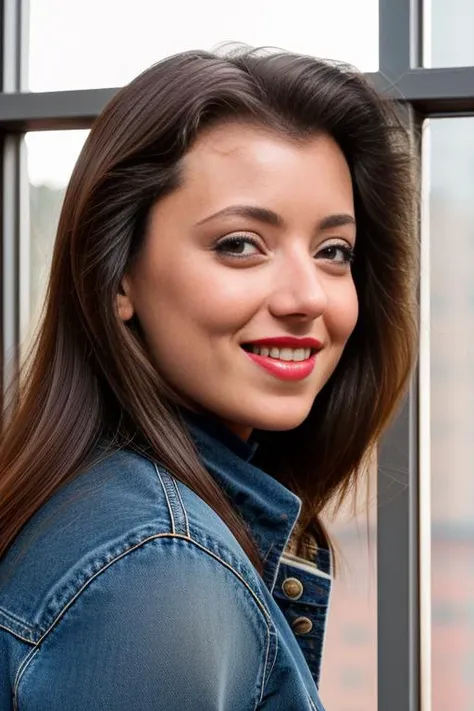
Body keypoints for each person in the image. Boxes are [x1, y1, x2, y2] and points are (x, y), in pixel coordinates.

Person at [0, 46, 417, 710]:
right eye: (240, 244)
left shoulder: (114, 513)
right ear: (118, 276)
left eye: (333, 251)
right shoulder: (158, 573)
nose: (307, 295)